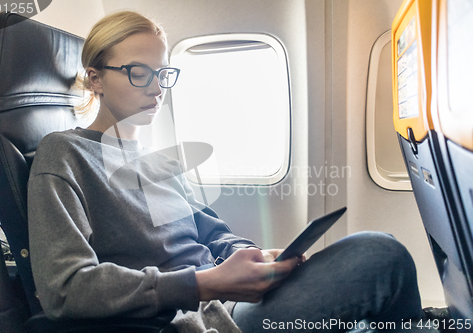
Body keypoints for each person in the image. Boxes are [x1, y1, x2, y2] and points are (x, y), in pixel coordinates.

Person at [27, 11, 440, 333]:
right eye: (140, 72)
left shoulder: (155, 158)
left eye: (163, 74)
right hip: (190, 319)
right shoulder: (63, 154)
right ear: (96, 79)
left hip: (224, 298)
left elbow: (210, 233)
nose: (156, 88)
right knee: (381, 254)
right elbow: (65, 289)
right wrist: (206, 283)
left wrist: (250, 257)